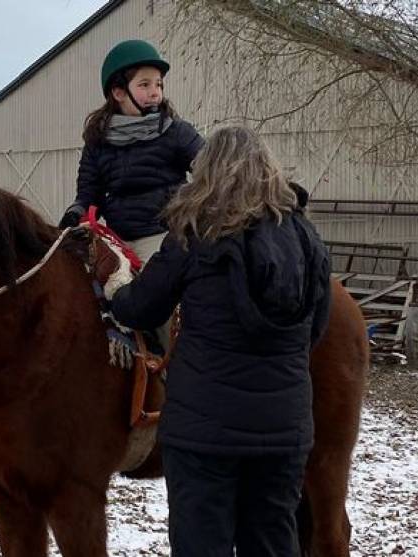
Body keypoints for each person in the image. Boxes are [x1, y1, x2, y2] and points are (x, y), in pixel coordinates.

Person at [99, 126, 331, 556]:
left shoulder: (194, 232)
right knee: (273, 541)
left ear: (206, 172)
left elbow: (141, 310)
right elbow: (315, 330)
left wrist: (116, 288)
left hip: (203, 435)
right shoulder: (307, 239)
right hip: (284, 431)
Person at [58, 38, 205, 273]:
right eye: (145, 85)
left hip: (163, 237)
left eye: (158, 84)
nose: (155, 93)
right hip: (116, 240)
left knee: (149, 296)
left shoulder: (177, 132)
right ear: (118, 92)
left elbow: (210, 169)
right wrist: (75, 212)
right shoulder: (97, 142)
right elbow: (88, 194)